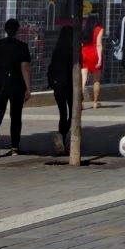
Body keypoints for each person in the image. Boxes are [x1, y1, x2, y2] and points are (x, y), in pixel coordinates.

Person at [0, 19, 31, 154]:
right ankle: (14, 147)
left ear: (5, 29)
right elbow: (24, 68)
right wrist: (28, 88)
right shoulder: (22, 46)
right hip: (16, 84)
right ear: (17, 30)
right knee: (16, 115)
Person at [47, 27, 74, 155]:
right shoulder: (72, 51)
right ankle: (64, 136)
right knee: (73, 113)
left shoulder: (56, 51)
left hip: (58, 87)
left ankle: (61, 136)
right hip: (70, 86)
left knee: (62, 113)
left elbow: (51, 68)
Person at [80, 14, 103, 109]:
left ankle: (80, 102)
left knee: (83, 79)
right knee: (96, 80)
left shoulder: (84, 28)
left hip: (84, 52)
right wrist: (100, 59)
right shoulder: (99, 29)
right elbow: (99, 44)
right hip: (94, 54)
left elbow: (81, 43)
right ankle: (95, 102)